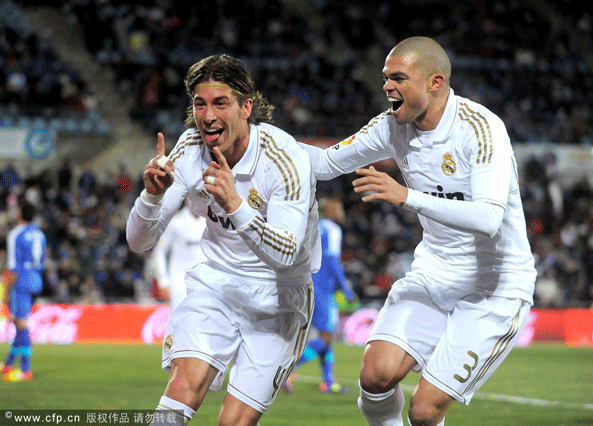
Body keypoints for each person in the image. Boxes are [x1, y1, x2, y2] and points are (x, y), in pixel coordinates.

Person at [300, 36, 536, 426]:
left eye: (398, 78)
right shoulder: (390, 127)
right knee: (375, 376)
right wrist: (255, 141)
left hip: (494, 287)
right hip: (436, 272)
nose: (387, 87)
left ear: (435, 83)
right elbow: (324, 164)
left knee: (424, 412)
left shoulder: (481, 129)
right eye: (385, 78)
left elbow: (488, 218)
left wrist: (407, 196)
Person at [126, 54, 320, 426]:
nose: (208, 116)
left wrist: (235, 203)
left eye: (220, 103)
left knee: (233, 422)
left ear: (247, 107)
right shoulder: (187, 150)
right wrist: (151, 197)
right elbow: (138, 241)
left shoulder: (285, 159)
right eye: (200, 104)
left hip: (280, 296)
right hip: (217, 284)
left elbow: (286, 253)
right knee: (182, 388)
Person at [285, 196, 355, 395]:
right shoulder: (332, 230)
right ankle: (289, 370)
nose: (341, 212)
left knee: (328, 336)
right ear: (332, 211)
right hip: (323, 288)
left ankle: (328, 382)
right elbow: (332, 261)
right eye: (339, 208)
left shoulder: (313, 226)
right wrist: (346, 289)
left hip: (307, 283)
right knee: (325, 337)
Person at [2, 202, 47, 382]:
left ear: (20, 214)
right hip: (36, 279)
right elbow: (42, 259)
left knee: (21, 325)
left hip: (21, 281)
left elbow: (13, 266)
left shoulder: (15, 234)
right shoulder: (40, 234)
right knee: (19, 323)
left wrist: (6, 291)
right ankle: (7, 365)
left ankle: (25, 369)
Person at [150, 202, 208, 312]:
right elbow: (159, 251)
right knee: (179, 322)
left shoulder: (210, 222)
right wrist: (163, 281)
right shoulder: (175, 222)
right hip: (180, 283)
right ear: (186, 199)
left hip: (205, 282)